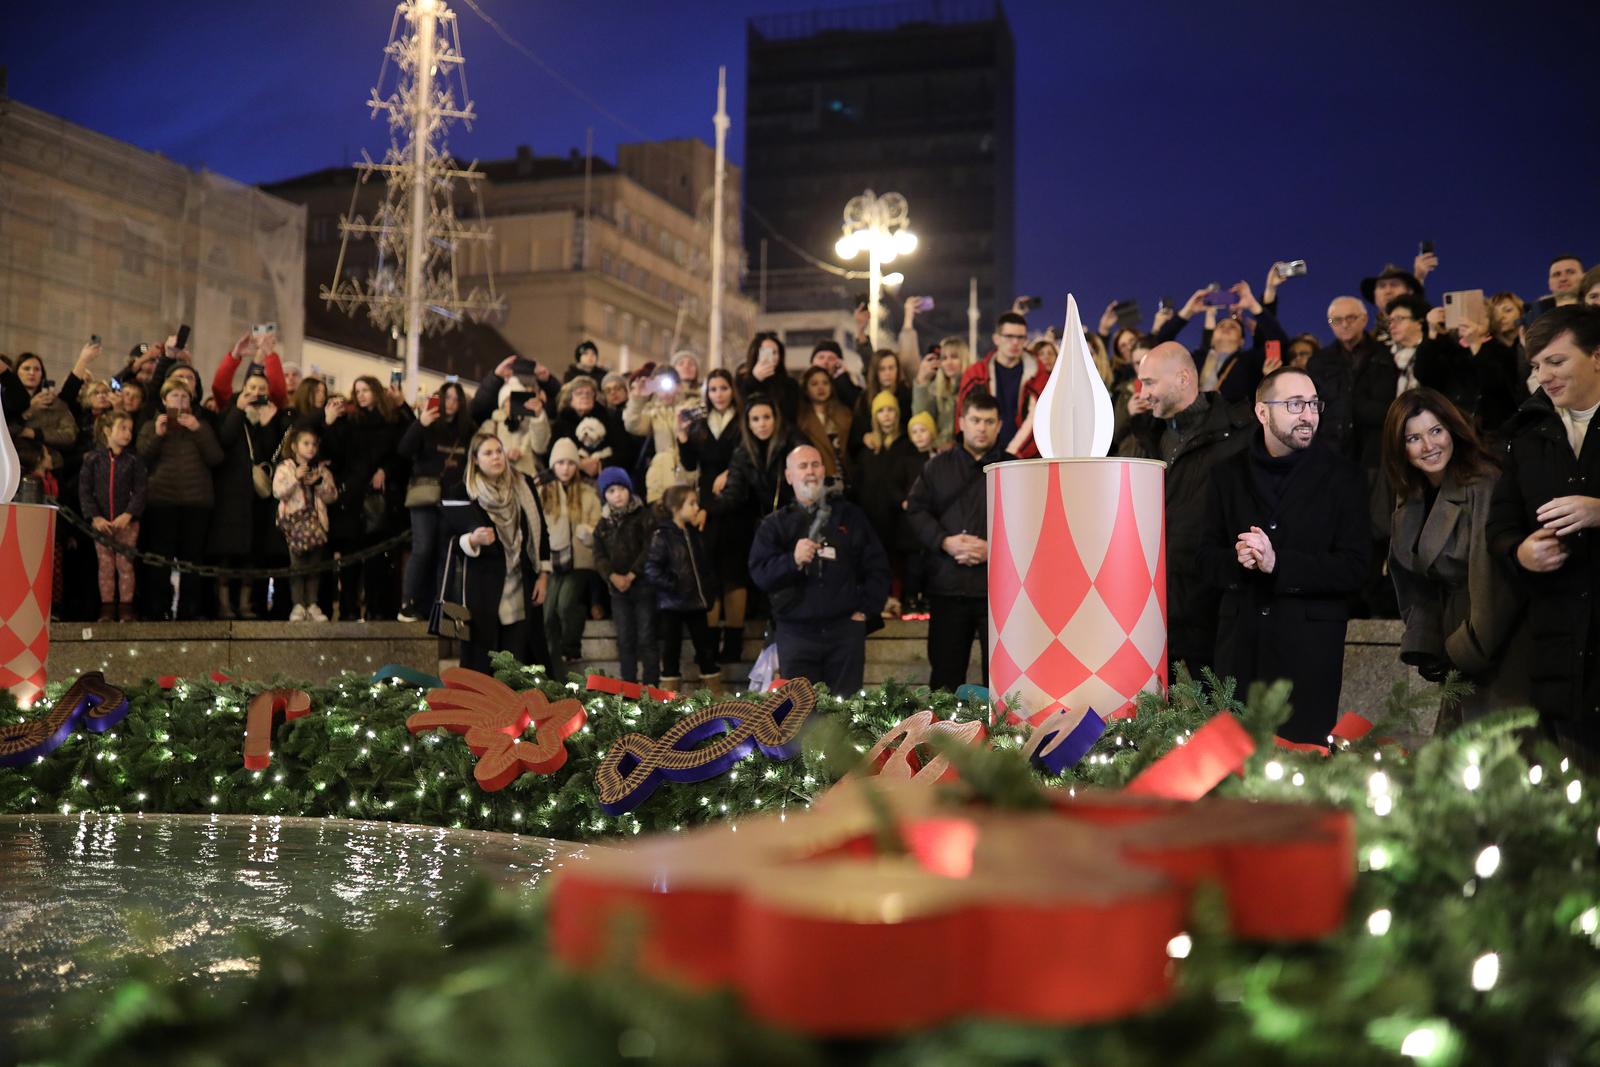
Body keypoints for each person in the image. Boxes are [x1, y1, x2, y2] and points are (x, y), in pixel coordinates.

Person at [1201, 368, 1369, 744]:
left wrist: (1280, 565)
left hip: (1308, 655)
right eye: (1295, 405)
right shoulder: (1226, 476)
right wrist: (1237, 559)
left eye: (1313, 404)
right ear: (1262, 413)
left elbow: (1356, 568)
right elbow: (1203, 559)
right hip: (1240, 653)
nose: (1308, 415)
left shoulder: (1345, 477)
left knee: (1301, 777)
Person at [1485, 306, 1600, 762]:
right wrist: (1521, 551)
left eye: (1556, 361)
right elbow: (1499, 526)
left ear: (1596, 356)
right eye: (1536, 366)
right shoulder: (1528, 436)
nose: (1544, 376)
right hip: (1557, 648)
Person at [1382, 388, 1526, 731]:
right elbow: (1411, 577)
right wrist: (1425, 642)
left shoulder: (1483, 483)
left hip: (1492, 634)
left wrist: (1461, 650)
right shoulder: (1410, 493)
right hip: (1451, 632)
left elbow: (1493, 580)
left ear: (1452, 430)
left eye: (1435, 431)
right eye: (1413, 438)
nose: (1428, 446)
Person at [1114, 342, 1252, 679]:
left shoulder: (1238, 436)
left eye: (1149, 382)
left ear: (1183, 378)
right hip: (1154, 605)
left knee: (1220, 716)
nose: (1143, 393)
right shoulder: (1148, 435)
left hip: (1214, 607)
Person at [748, 445, 890, 696]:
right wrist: (792, 561)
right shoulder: (773, 526)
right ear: (789, 476)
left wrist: (867, 610)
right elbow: (760, 574)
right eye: (802, 466)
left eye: (815, 465)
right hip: (795, 634)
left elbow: (877, 566)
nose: (810, 472)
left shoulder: (850, 516)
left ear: (824, 471)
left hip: (845, 633)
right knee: (799, 718)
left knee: (845, 717)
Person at [904, 393, 1002, 691]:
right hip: (947, 587)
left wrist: (995, 549)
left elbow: (1031, 520)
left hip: (998, 591)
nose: (981, 428)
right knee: (945, 682)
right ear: (961, 422)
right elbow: (916, 509)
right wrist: (944, 541)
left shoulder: (1012, 467)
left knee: (1003, 684)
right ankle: (939, 739)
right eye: (975, 420)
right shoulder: (937, 466)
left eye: (988, 421)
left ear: (999, 425)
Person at [442, 433, 552, 674]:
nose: (496, 458)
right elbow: (447, 537)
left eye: (499, 451)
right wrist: (472, 539)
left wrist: (543, 574)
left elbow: (541, 530)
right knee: (483, 662)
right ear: (475, 459)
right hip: (482, 587)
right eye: (488, 453)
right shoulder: (462, 491)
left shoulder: (523, 483)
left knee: (519, 660)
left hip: (521, 582)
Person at [677, 369, 750, 666]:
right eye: (714, 388)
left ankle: (733, 641)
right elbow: (690, 463)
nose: (719, 393)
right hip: (706, 502)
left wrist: (732, 472)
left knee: (734, 575)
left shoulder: (744, 421)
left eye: (724, 387)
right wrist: (682, 435)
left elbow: (749, 453)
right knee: (708, 573)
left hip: (736, 501)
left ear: (732, 390)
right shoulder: (699, 424)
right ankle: (707, 644)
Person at [322, 375, 410, 621]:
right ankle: (348, 610)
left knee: (377, 562)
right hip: (351, 498)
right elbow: (335, 453)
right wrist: (329, 423)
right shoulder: (349, 421)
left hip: (378, 500)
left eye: (365, 390)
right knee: (349, 561)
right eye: (357, 390)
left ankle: (376, 608)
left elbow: (402, 450)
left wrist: (385, 470)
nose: (360, 395)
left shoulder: (390, 421)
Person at [136, 376, 223, 620]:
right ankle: (157, 608)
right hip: (161, 501)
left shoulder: (201, 425)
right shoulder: (151, 425)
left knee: (192, 561)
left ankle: (189, 610)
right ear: (164, 400)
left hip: (196, 503)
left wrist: (198, 430)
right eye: (175, 395)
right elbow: (141, 458)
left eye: (185, 396)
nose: (180, 400)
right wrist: (157, 435)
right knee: (159, 561)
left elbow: (216, 458)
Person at [209, 370, 288, 620]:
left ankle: (245, 603)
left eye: (262, 389)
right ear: (242, 389)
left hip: (257, 498)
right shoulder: (230, 412)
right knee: (226, 551)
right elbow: (224, 440)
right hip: (231, 495)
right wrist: (238, 410)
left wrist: (267, 425)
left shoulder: (268, 417)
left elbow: (272, 456)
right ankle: (223, 604)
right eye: (251, 387)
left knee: (251, 553)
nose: (256, 393)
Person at [397, 379, 475, 621]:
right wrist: (419, 425)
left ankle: (441, 606)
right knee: (423, 548)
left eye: (455, 399)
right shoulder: (426, 424)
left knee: (446, 553)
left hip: (453, 500)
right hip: (425, 497)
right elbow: (403, 451)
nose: (450, 403)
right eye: (447, 397)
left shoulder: (467, 430)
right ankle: (407, 603)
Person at [642, 484, 720, 687]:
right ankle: (670, 696)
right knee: (671, 651)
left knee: (705, 648)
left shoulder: (693, 534)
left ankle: (714, 693)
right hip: (672, 604)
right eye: (691, 503)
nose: (697, 508)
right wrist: (675, 584)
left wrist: (707, 588)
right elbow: (651, 569)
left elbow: (702, 565)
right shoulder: (663, 535)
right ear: (677, 508)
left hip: (695, 602)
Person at [855, 391, 924, 618]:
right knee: (876, 562)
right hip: (872, 519)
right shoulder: (867, 450)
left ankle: (901, 600)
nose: (886, 416)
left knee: (901, 563)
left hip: (901, 521)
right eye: (881, 411)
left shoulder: (907, 446)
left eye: (890, 410)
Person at [540, 438, 601, 675]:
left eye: (570, 463)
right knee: (548, 615)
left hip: (579, 561)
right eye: (560, 462)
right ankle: (554, 669)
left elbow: (598, 524)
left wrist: (589, 532)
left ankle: (571, 647)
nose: (565, 468)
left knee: (566, 604)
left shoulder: (587, 493)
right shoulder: (543, 491)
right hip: (552, 562)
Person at [78, 411, 146, 621]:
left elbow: (141, 490)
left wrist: (129, 514)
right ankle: (107, 607)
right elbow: (85, 490)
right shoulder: (93, 459)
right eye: (122, 428)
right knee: (105, 565)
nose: (128, 434)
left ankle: (126, 607)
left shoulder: (134, 461)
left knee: (125, 564)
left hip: (127, 523)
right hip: (102, 523)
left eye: (130, 429)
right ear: (107, 431)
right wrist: (95, 517)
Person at [593, 468, 658, 686]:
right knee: (625, 639)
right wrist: (612, 576)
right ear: (605, 496)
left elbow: (649, 548)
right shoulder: (603, 524)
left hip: (643, 587)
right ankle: (629, 689)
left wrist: (632, 574)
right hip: (618, 591)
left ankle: (652, 687)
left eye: (621, 488)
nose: (618, 494)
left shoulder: (644, 517)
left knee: (647, 637)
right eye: (611, 490)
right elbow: (599, 555)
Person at [272, 425, 338, 622]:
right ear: (294, 446)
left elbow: (332, 496)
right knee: (297, 566)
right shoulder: (286, 468)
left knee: (315, 565)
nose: (310, 448)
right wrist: (295, 478)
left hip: (316, 524)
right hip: (294, 524)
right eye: (306, 444)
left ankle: (313, 603)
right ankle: (298, 604)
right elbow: (279, 492)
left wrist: (318, 484)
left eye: (314, 445)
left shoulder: (321, 469)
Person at [956, 312, 1035, 450]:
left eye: (1020, 337)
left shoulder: (1038, 377)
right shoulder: (975, 374)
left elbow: (1040, 423)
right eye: (1009, 336)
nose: (1015, 342)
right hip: (982, 455)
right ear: (996, 339)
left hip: (1024, 457)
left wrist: (1014, 453)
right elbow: (962, 416)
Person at [623, 366, 696, 503]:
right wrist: (638, 399)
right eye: (659, 386)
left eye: (669, 384)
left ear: (678, 385)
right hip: (663, 474)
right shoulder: (653, 411)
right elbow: (633, 425)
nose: (665, 391)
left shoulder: (690, 407)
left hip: (688, 471)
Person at [794, 366, 855, 485]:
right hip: (818, 480)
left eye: (825, 383)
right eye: (814, 384)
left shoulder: (844, 413)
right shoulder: (801, 420)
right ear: (806, 389)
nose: (820, 387)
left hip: (846, 478)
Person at [483, 379, 552, 480]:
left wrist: (538, 417)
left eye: (517, 400)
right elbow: (481, 451)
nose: (513, 404)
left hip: (528, 480)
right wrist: (503, 453)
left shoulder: (533, 422)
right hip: (499, 479)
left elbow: (540, 447)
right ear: (502, 404)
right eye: (508, 400)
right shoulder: (491, 425)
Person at [911, 336, 969, 450]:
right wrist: (921, 381)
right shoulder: (935, 389)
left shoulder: (973, 389)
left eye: (954, 357)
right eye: (944, 358)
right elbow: (921, 418)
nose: (948, 362)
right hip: (941, 453)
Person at [735, 333, 801, 423]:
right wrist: (754, 380)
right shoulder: (741, 380)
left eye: (775, 352)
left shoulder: (790, 383)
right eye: (765, 352)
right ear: (755, 354)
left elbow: (791, 416)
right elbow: (739, 407)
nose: (771, 357)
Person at [810, 340, 860, 412]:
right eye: (821, 357)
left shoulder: (845, 386)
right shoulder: (801, 389)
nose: (825, 362)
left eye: (831, 358)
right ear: (812, 362)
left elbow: (855, 405)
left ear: (839, 363)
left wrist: (843, 376)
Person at [1532, 255, 1585, 319]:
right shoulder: (1533, 319)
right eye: (1556, 274)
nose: (1563, 279)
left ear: (1584, 277)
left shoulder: (1595, 310)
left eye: (1570, 272)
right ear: (1549, 283)